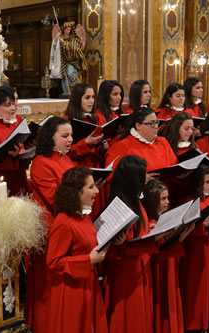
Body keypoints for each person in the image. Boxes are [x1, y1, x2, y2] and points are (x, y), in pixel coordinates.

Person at [25, 116, 75, 333]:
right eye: (65, 136)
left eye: (71, 135)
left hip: (69, 223)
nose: (70, 140)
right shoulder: (41, 163)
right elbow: (55, 200)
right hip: (51, 231)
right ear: (50, 137)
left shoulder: (65, 158)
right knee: (49, 286)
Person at [102, 155, 163, 333]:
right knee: (130, 315)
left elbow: (138, 232)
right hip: (127, 272)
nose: (147, 178)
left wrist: (150, 229)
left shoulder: (134, 201)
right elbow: (117, 248)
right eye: (143, 174)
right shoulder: (121, 207)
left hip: (139, 267)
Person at [46, 167, 108, 333]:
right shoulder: (63, 223)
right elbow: (53, 262)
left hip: (88, 284)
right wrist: (87, 260)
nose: (96, 191)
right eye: (90, 187)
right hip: (71, 292)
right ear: (76, 192)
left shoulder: (83, 215)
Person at [142, 179, 194, 333]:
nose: (167, 202)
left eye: (167, 198)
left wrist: (182, 236)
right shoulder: (150, 222)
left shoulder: (164, 217)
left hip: (170, 265)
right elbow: (155, 249)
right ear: (153, 201)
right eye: (163, 199)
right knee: (161, 301)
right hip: (158, 269)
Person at [178, 165, 209, 331]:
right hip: (196, 250)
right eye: (207, 182)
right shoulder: (188, 200)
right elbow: (183, 231)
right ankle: (196, 322)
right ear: (199, 183)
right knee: (197, 286)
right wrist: (203, 226)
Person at [0, 86, 28, 196]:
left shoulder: (17, 119)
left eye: (13, 103)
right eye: (8, 105)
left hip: (19, 174)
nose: (13, 108)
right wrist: (13, 156)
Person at [105, 107, 178, 172]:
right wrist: (138, 178)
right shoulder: (122, 146)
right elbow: (110, 175)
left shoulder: (163, 142)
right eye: (152, 123)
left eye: (156, 122)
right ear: (138, 126)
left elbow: (174, 167)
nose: (156, 126)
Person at [65, 82, 107, 168]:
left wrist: (102, 149)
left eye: (93, 97)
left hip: (95, 165)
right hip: (76, 167)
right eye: (87, 98)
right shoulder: (66, 121)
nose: (91, 101)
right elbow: (65, 152)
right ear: (77, 99)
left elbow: (96, 151)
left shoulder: (97, 118)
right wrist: (86, 143)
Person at [56, 21, 87, 95]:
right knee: (64, 76)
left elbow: (75, 48)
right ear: (63, 29)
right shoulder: (61, 37)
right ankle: (67, 92)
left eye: (69, 29)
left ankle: (77, 89)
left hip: (72, 60)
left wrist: (64, 43)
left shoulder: (74, 38)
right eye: (66, 29)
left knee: (70, 73)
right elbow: (55, 48)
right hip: (63, 60)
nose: (68, 31)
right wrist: (56, 40)